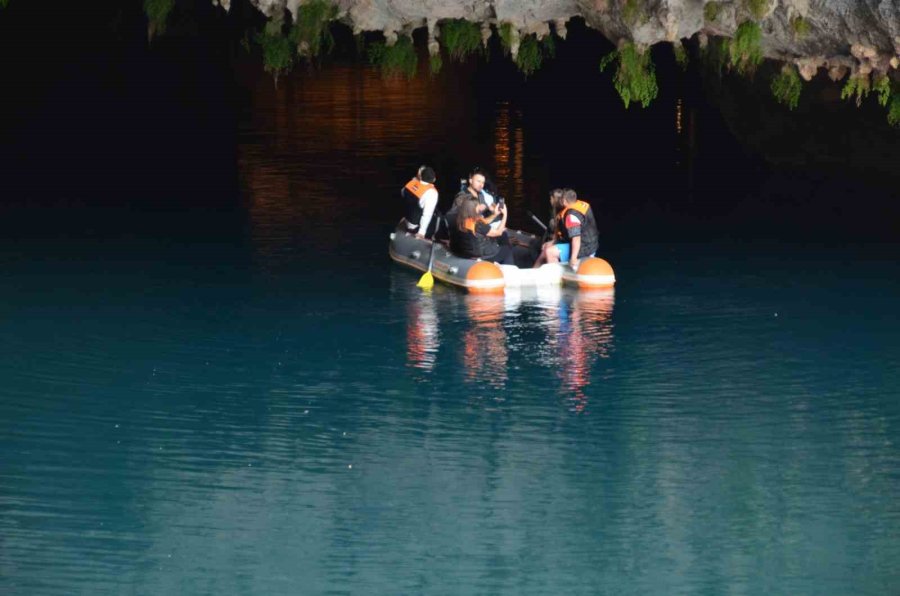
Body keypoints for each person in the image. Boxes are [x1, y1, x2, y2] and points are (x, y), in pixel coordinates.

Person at [533, 188, 599, 269]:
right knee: (546, 249)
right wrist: (553, 242)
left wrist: (573, 258)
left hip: (584, 248)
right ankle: (533, 271)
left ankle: (556, 277)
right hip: (590, 244)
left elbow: (576, 238)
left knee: (549, 252)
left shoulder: (571, 216)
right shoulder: (582, 205)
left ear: (564, 201)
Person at [449, 197, 516, 265]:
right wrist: (505, 214)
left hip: (469, 251)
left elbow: (484, 222)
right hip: (484, 255)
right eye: (478, 205)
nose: (480, 206)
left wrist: (495, 214)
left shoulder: (461, 220)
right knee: (507, 249)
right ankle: (507, 269)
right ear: (474, 208)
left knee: (500, 237)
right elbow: (498, 232)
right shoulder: (478, 225)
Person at [401, 165, 439, 238]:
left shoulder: (411, 183)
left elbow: (403, 193)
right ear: (434, 179)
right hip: (415, 226)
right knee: (439, 217)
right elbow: (427, 214)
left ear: (420, 176)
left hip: (407, 219)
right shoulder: (431, 193)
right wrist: (422, 232)